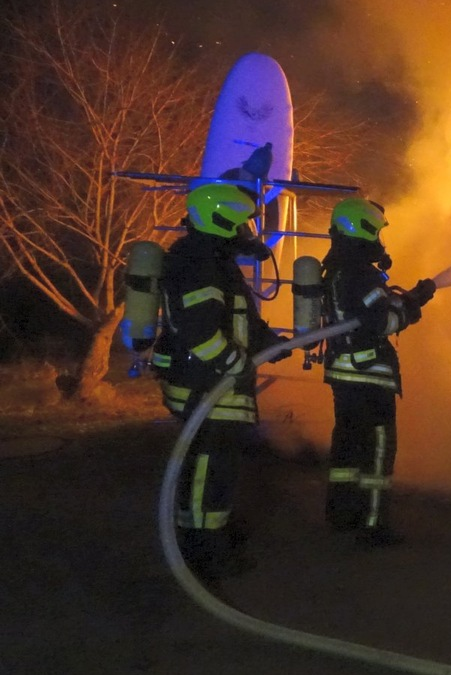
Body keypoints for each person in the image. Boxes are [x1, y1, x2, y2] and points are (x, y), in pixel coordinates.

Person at [151, 182, 291, 580]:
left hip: (215, 384)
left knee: (217, 468)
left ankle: (212, 532)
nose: (248, 232)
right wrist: (236, 363)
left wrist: (271, 343)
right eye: (243, 223)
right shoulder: (199, 264)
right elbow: (199, 331)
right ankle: (202, 550)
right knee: (207, 470)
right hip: (205, 386)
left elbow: (239, 320)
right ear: (222, 221)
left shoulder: (214, 262)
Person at [320, 197, 435, 546]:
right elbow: (379, 321)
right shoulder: (361, 273)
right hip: (369, 376)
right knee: (377, 452)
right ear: (364, 229)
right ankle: (373, 526)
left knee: (347, 448)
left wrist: (411, 297)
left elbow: (367, 310)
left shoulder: (339, 268)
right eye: (377, 231)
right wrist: (409, 312)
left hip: (345, 374)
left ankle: (342, 515)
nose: (380, 240)